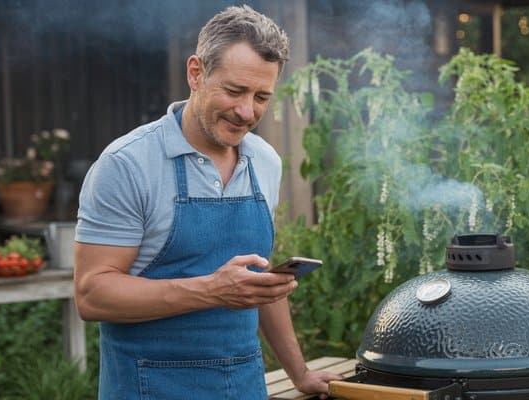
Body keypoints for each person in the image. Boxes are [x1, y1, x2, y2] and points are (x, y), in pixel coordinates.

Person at [73, 5, 342, 399]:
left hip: (245, 387)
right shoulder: (127, 165)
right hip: (149, 388)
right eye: (234, 91)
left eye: (262, 97)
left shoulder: (264, 161)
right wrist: (212, 290)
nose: (247, 111)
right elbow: (92, 294)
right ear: (196, 73)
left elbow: (257, 282)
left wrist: (299, 373)